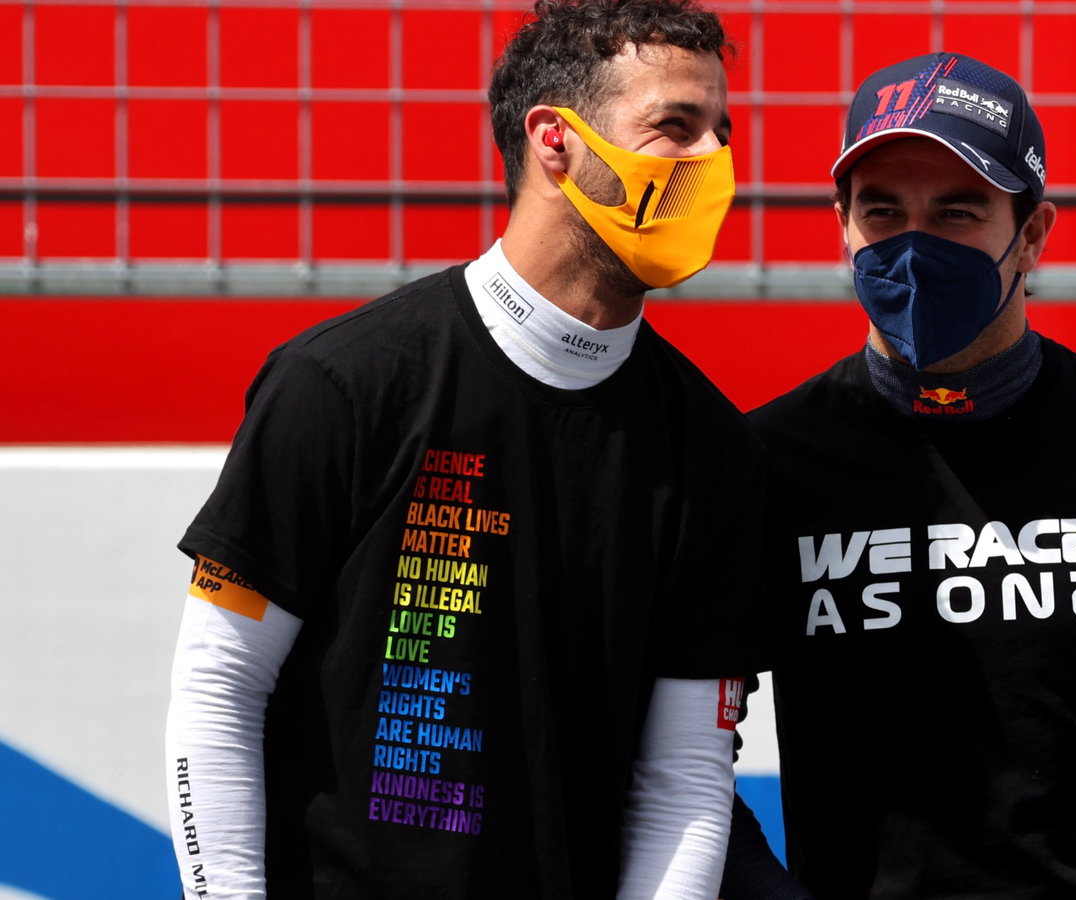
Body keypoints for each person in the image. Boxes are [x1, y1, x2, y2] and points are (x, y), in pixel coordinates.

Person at [164, 1, 766, 896]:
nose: (712, 163)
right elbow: (218, 688)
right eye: (674, 128)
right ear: (554, 142)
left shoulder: (711, 444)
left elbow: (683, 775)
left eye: (721, 132)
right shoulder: (344, 383)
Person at [719, 52, 1076, 900]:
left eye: (957, 212)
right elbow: (684, 757)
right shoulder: (763, 461)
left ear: (1033, 233)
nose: (913, 246)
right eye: (882, 211)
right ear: (841, 223)